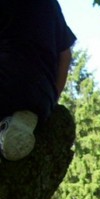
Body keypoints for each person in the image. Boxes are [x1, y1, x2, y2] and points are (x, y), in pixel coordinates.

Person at [0, 0, 76, 162]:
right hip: (42, 94)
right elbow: (66, 55)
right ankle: (10, 126)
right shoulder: (50, 4)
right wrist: (52, 100)